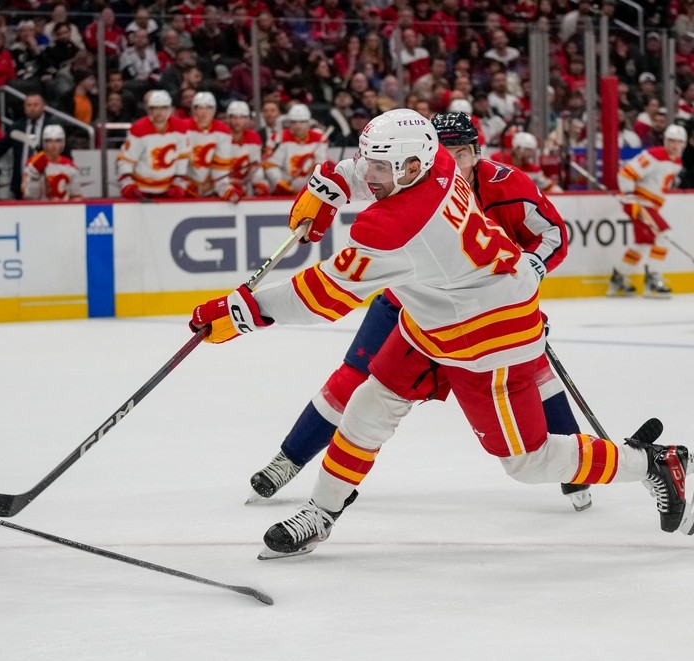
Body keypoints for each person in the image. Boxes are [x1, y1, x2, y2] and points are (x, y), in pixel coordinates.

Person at [188, 108, 690, 558]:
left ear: (411, 166)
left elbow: (321, 296)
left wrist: (239, 311)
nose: (370, 175)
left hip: (489, 338)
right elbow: (367, 176)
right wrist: (329, 185)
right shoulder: (440, 166)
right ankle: (321, 513)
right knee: (369, 404)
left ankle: (651, 464)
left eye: (379, 168)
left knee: (528, 462)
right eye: (370, 164)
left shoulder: (396, 228)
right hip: (433, 319)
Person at [243, 109, 591, 514]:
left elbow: (552, 232)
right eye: (444, 152)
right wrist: (331, 183)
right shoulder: (415, 179)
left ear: (476, 153)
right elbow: (362, 171)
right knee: (354, 377)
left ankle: (575, 472)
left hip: (486, 310)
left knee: (535, 376)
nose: (450, 160)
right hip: (410, 303)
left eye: (459, 153)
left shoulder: (508, 185)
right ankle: (289, 459)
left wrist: (532, 267)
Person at [608, 124, 687, 298]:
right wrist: (629, 199)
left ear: (684, 144)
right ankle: (653, 279)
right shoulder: (655, 155)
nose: (674, 145)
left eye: (679, 142)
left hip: (650, 205)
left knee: (643, 244)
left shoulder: (677, 162)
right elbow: (626, 174)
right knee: (664, 234)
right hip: (641, 204)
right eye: (671, 141)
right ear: (665, 141)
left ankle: (619, 279)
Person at [116, 89, 190, 200]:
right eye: (155, 108)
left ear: (170, 109)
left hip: (168, 189)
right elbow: (126, 160)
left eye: (163, 108)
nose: (159, 112)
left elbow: (183, 159)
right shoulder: (139, 128)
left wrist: (179, 184)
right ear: (149, 109)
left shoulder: (180, 128)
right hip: (141, 189)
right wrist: (128, 185)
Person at [182, 91, 240, 202]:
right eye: (200, 108)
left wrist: (225, 189)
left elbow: (220, 168)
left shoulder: (223, 131)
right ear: (194, 110)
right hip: (185, 189)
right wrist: (182, 184)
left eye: (208, 108)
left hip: (210, 190)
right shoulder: (183, 128)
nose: (204, 113)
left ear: (213, 111)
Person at [263, 103, 328, 195]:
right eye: (294, 122)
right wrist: (279, 182)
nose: (298, 126)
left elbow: (321, 166)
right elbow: (269, 165)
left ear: (308, 122)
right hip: (283, 192)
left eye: (302, 122)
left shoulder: (319, 138)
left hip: (310, 192)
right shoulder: (278, 137)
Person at [23, 125, 82, 201]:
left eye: (58, 141)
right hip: (39, 210)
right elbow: (28, 196)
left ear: (63, 143)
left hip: (64, 210)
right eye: (49, 141)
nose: (54, 145)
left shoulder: (70, 166)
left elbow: (76, 197)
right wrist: (35, 176)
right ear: (44, 143)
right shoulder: (33, 163)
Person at [226, 100, 269, 197]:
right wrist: (228, 183)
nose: (238, 122)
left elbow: (255, 167)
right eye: (234, 117)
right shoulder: (222, 136)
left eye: (242, 118)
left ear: (247, 120)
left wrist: (259, 182)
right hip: (222, 185)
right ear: (228, 119)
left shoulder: (254, 138)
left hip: (243, 184)